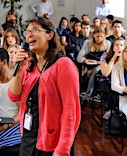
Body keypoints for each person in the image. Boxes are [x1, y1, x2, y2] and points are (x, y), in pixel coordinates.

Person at [8, 17, 80, 155]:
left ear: (50, 35)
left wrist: (63, 149)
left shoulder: (63, 65)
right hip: (28, 137)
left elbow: (71, 111)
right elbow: (13, 95)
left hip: (53, 142)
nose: (30, 34)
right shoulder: (28, 64)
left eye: (35, 30)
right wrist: (18, 70)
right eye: (27, 31)